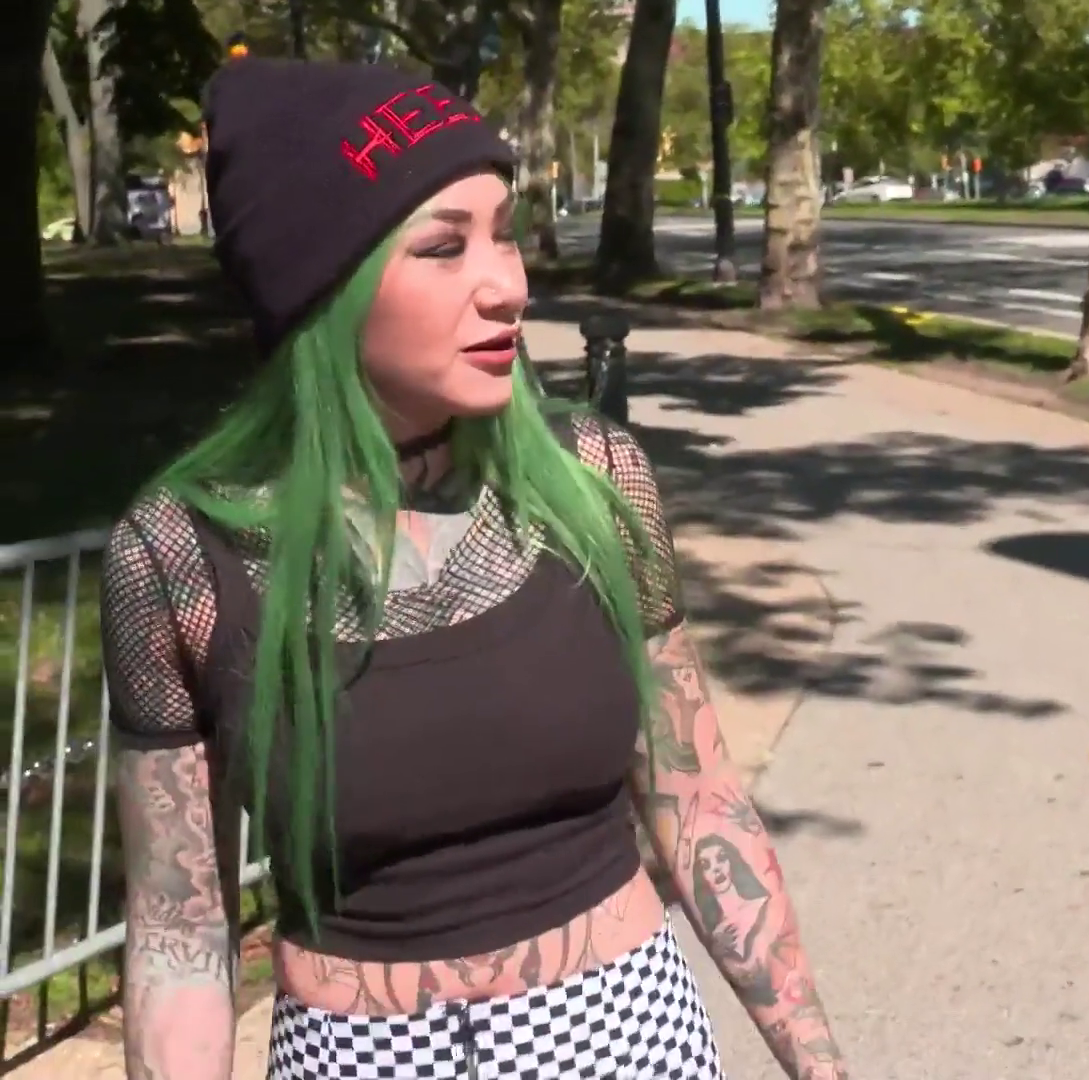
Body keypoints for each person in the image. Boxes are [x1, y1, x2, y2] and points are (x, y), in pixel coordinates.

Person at [100, 58, 849, 1080]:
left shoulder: (596, 482)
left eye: (504, 233)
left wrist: (821, 1067)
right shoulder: (179, 557)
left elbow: (701, 804)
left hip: (630, 1042)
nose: (509, 286)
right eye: (445, 247)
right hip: (359, 1059)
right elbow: (180, 935)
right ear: (321, 288)